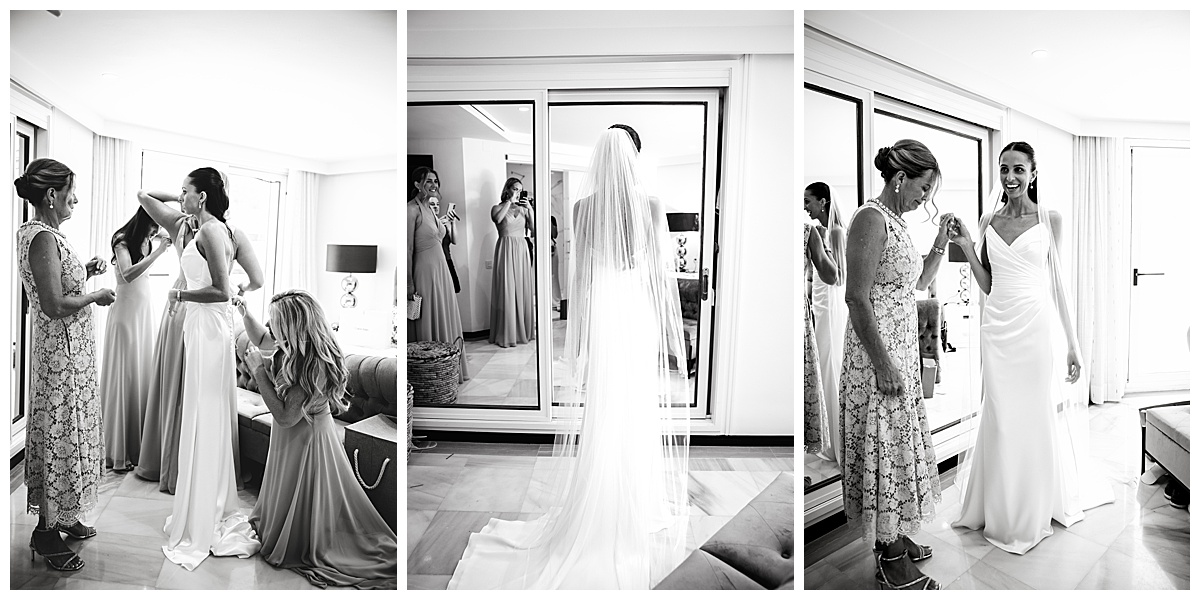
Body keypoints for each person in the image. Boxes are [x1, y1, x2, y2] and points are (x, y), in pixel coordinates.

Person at [448, 125, 690, 589]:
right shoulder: (651, 205)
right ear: (633, 158)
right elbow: (659, 275)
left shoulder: (582, 207)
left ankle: (606, 493)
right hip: (634, 312)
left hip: (604, 310)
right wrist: (665, 334)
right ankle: (634, 499)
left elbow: (582, 276)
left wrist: (577, 336)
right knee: (633, 401)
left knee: (605, 401)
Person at [949, 141, 1112, 554]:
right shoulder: (988, 220)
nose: (1010, 177)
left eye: (1018, 169)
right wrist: (967, 246)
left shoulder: (1050, 219)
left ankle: (1034, 506)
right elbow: (988, 284)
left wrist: (1073, 344)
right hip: (997, 328)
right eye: (1004, 169)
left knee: (1032, 414)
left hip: (1035, 329)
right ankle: (1000, 506)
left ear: (1033, 173)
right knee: (1001, 418)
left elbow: (1057, 284)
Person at [138, 167, 263, 569]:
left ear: (203, 196)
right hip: (201, 326)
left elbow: (222, 292)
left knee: (205, 411)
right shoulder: (204, 227)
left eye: (186, 191)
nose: (180, 197)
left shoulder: (210, 230)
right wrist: (181, 199)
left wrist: (179, 293)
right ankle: (203, 500)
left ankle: (207, 507)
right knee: (200, 410)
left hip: (209, 326)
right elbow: (145, 197)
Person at [232, 290, 397, 589]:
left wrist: (258, 371)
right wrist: (245, 312)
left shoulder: (314, 363)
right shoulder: (288, 346)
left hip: (306, 439)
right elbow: (262, 339)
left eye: (276, 321)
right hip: (289, 437)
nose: (271, 327)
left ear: (293, 325)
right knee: (288, 493)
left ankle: (303, 539)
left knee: (306, 500)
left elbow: (286, 417)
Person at [841, 140, 950, 590]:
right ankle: (889, 559)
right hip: (876, 359)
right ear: (901, 178)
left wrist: (940, 243)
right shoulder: (870, 218)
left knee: (899, 449)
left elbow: (919, 282)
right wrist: (884, 364)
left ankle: (896, 534)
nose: (926, 197)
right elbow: (856, 297)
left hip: (898, 352)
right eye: (924, 188)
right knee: (885, 448)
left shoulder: (897, 222)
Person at [15, 158, 116, 572]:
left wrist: (85, 272)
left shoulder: (48, 234)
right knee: (60, 435)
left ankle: (64, 513)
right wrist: (95, 296)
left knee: (72, 432)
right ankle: (45, 531)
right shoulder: (40, 237)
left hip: (72, 354)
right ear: (52, 195)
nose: (76, 199)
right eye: (71, 191)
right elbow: (54, 304)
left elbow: (56, 283)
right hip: (60, 358)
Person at [99, 207, 172, 472]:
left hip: (143, 314)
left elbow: (172, 217)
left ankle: (139, 447)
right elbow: (128, 274)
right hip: (126, 316)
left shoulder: (149, 239)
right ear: (145, 219)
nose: (156, 230)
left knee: (140, 375)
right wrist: (158, 252)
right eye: (154, 224)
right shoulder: (123, 240)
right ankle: (118, 452)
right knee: (124, 376)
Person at [407, 167, 467, 380]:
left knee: (446, 313)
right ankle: (431, 374)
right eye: (428, 181)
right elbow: (408, 249)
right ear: (417, 184)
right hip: (425, 272)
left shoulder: (430, 208)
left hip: (442, 271)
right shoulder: (411, 210)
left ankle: (448, 369)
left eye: (435, 181)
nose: (434, 185)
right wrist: (408, 283)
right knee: (429, 316)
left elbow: (445, 237)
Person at [805, 182, 848, 466]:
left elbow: (840, 277)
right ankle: (825, 436)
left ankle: (837, 443)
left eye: (808, 201)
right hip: (819, 305)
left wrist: (822, 247)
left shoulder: (835, 232)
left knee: (829, 364)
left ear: (822, 202)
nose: (805, 207)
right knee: (821, 366)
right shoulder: (819, 232)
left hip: (831, 305)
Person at [803, 220, 838, 456]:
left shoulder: (808, 231)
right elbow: (831, 275)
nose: (806, 207)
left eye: (808, 202)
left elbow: (833, 277)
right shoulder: (807, 231)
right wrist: (823, 244)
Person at [489, 178, 536, 347]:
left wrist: (530, 209)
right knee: (507, 288)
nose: (518, 192)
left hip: (522, 249)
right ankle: (507, 332)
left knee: (522, 288)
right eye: (515, 189)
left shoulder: (524, 209)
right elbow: (498, 219)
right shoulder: (497, 208)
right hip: (506, 249)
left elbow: (534, 230)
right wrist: (509, 201)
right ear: (507, 189)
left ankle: (524, 330)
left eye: (520, 190)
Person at [427, 192, 461, 294]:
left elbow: (454, 241)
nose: (436, 207)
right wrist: (438, 227)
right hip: (435, 262)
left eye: (437, 204)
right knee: (440, 292)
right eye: (432, 204)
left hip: (447, 260)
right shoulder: (427, 224)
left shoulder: (444, 222)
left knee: (454, 289)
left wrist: (453, 223)